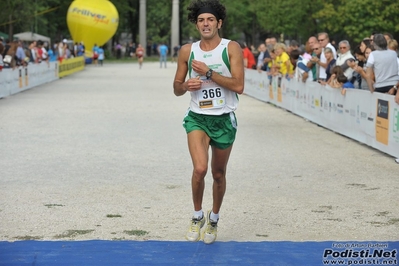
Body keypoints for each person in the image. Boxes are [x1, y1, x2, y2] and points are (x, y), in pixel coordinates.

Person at [173, 0, 244, 245]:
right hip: (197, 118)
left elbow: (239, 86)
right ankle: (196, 216)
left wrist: (208, 73)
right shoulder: (187, 50)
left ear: (219, 23)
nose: (206, 24)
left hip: (224, 119)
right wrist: (185, 86)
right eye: (201, 20)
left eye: (210, 20)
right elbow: (176, 88)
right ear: (196, 24)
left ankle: (213, 218)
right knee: (200, 169)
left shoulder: (231, 48)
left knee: (218, 174)